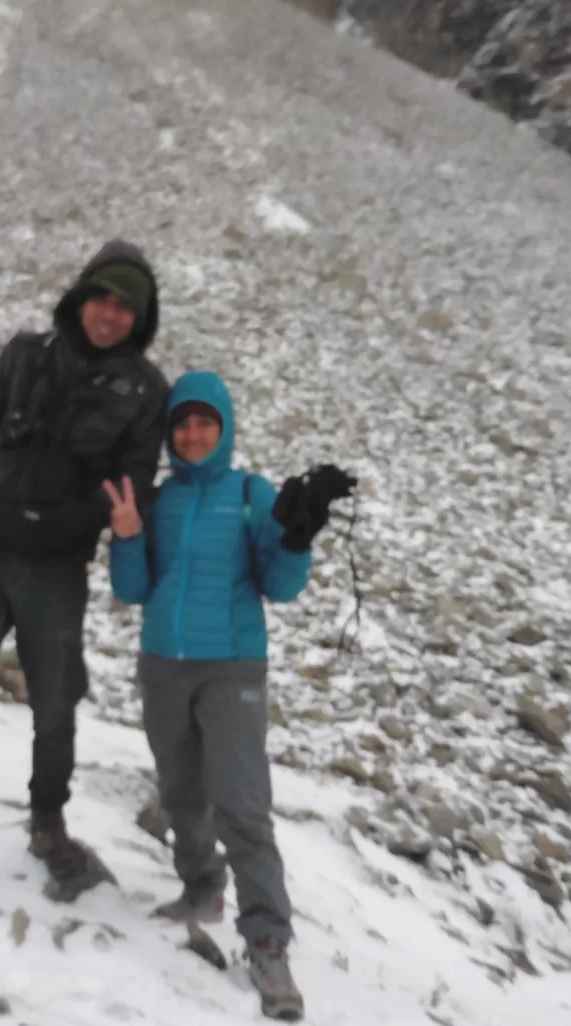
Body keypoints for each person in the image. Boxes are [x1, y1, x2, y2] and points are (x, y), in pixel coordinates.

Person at [0, 240, 169, 891]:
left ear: (140, 320)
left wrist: (73, 522)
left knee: (56, 702)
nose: (110, 314)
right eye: (103, 297)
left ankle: (49, 825)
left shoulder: (144, 392)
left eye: (126, 307)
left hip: (55, 568)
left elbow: (133, 482)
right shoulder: (24, 357)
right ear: (81, 297)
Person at [106, 369, 354, 1022]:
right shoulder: (156, 500)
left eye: (204, 422)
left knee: (242, 804)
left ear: (223, 428)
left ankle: (268, 939)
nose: (191, 433)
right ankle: (201, 888)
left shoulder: (251, 493)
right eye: (182, 424)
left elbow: (281, 585)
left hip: (232, 666)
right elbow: (132, 592)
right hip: (163, 661)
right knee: (182, 791)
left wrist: (296, 540)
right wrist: (128, 534)